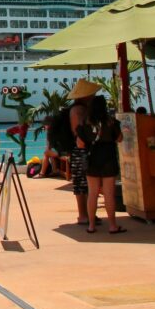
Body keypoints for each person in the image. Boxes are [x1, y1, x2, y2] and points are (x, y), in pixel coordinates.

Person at [77, 95, 125, 234]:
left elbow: (80, 144)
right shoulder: (111, 122)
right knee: (109, 194)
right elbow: (120, 139)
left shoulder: (85, 123)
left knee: (92, 193)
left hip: (92, 160)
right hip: (108, 158)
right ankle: (112, 226)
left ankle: (91, 226)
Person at [67, 79, 102, 226]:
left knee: (85, 184)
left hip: (82, 149)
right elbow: (79, 131)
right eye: (92, 94)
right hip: (80, 150)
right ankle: (83, 214)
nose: (94, 96)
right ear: (85, 96)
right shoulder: (78, 110)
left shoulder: (81, 109)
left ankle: (88, 213)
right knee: (81, 183)